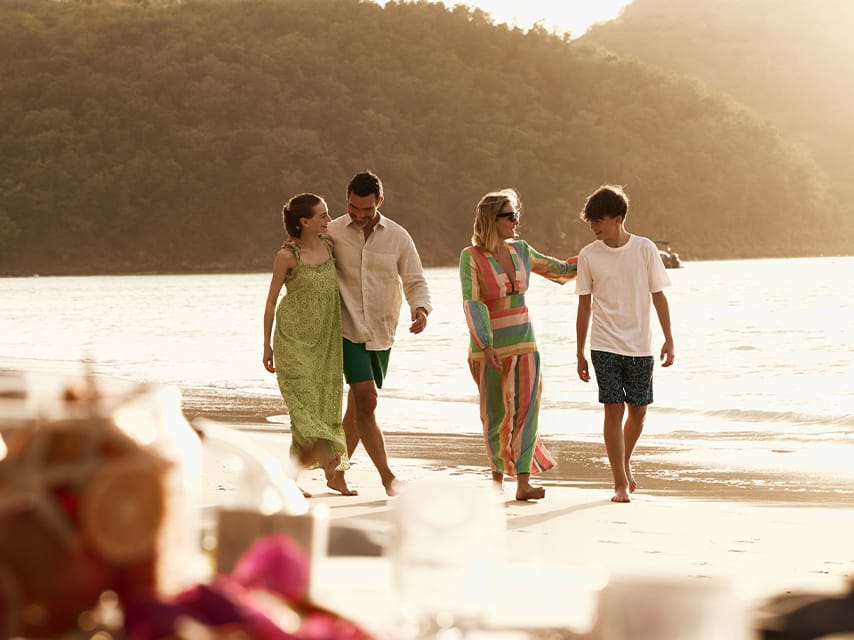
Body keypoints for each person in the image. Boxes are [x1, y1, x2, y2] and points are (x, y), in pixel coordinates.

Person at [459, 189, 578, 501]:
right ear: (492, 219)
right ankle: (497, 482)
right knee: (495, 416)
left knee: (527, 413)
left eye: (516, 215)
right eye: (510, 216)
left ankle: (523, 482)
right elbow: (472, 302)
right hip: (488, 350)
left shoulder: (522, 250)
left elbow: (561, 270)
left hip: (525, 344)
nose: (516, 221)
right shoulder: (470, 257)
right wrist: (486, 344)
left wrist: (597, 256)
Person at [326, 170, 432, 496]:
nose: (359, 216)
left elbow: (414, 279)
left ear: (380, 201)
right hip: (346, 328)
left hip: (382, 330)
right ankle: (388, 477)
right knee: (367, 400)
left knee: (358, 407)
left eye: (366, 209)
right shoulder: (332, 231)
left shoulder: (398, 236)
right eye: (353, 208)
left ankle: (335, 472)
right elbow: (306, 253)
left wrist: (421, 309)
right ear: (347, 200)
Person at [575, 184, 675, 503]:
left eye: (599, 220)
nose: (593, 227)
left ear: (617, 218)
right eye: (591, 221)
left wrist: (669, 339)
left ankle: (624, 460)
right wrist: (579, 351)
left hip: (640, 345)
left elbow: (659, 296)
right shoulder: (589, 255)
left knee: (639, 411)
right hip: (604, 343)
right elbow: (584, 305)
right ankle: (619, 482)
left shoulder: (645, 249)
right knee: (613, 410)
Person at [262, 192, 355, 496]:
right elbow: (272, 300)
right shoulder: (288, 255)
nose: (330, 219)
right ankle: (325, 464)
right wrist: (266, 345)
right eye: (323, 215)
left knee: (323, 406)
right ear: (304, 221)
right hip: (292, 341)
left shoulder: (330, 245)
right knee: (302, 410)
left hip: (325, 343)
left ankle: (310, 476)